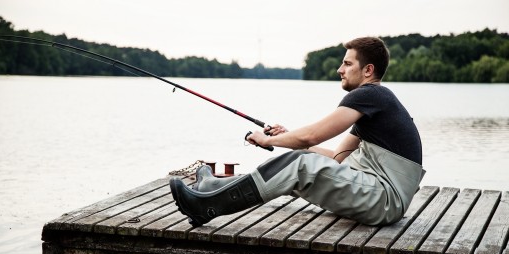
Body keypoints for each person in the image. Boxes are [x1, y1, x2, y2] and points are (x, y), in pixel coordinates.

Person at [170, 37, 425, 227]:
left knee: (299, 165)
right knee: (293, 168)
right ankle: (212, 186)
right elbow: (337, 158)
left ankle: (207, 206)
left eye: (347, 64)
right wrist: (288, 139)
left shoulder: (371, 94)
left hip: (385, 201)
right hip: (382, 199)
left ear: (368, 70)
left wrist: (270, 139)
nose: (340, 69)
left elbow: (312, 136)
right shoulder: (375, 105)